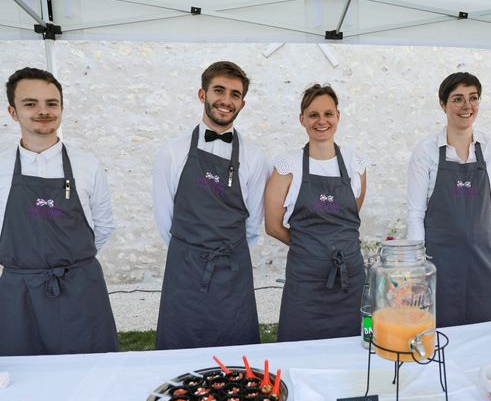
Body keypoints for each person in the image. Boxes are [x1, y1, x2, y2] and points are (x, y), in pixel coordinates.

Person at [0, 67, 118, 356]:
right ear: (13, 112)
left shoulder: (87, 165)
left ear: (61, 109)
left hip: (81, 290)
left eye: (51, 103)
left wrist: (72, 264)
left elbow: (103, 226)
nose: (43, 111)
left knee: (91, 375)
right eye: (30, 104)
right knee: (26, 382)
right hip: (20, 295)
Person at [153, 61, 269, 349]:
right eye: (219, 90)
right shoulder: (171, 152)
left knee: (236, 354)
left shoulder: (255, 158)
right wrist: (193, 251)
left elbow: (254, 223)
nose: (226, 101)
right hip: (185, 269)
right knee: (180, 351)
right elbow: (164, 219)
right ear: (202, 94)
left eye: (235, 94)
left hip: (233, 269)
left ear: (242, 103)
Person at [407, 72, 491, 328]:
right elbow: (415, 214)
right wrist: (417, 271)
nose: (467, 106)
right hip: (439, 264)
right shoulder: (426, 151)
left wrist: (476, 221)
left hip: (485, 261)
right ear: (443, 104)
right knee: (440, 335)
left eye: (473, 98)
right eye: (458, 99)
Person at [265, 84, 368, 342]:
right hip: (306, 283)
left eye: (328, 114)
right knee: (298, 353)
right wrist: (310, 248)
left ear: (338, 117)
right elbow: (272, 225)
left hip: (350, 281)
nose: (321, 121)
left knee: (352, 353)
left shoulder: (356, 164)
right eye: (313, 115)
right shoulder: (287, 166)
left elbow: (350, 219)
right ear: (302, 119)